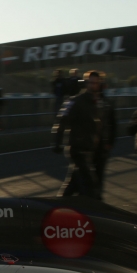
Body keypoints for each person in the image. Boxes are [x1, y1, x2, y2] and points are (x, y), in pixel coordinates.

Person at [52, 70, 102, 199]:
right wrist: (57, 142)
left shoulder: (96, 102)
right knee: (90, 186)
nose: (94, 86)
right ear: (85, 83)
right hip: (76, 148)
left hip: (88, 148)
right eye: (91, 83)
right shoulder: (75, 101)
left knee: (73, 185)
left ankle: (60, 204)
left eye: (96, 83)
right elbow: (62, 121)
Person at [93, 75, 117, 200]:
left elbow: (113, 124)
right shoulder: (86, 100)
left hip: (102, 144)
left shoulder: (107, 103)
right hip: (89, 144)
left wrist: (110, 142)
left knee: (99, 173)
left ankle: (97, 199)